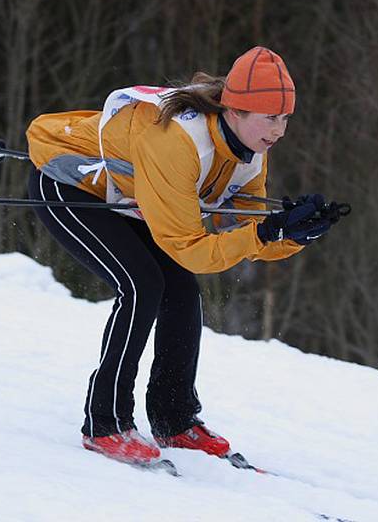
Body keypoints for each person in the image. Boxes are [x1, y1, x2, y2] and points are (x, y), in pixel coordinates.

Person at [25, 46, 338, 465]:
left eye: (284, 118)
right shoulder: (178, 142)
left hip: (135, 199)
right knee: (142, 285)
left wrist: (294, 231)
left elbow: (242, 228)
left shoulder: (250, 149)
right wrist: (264, 233)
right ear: (236, 110)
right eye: (270, 117)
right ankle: (105, 423)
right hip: (72, 187)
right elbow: (191, 249)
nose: (279, 130)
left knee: (181, 293)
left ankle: (175, 420)